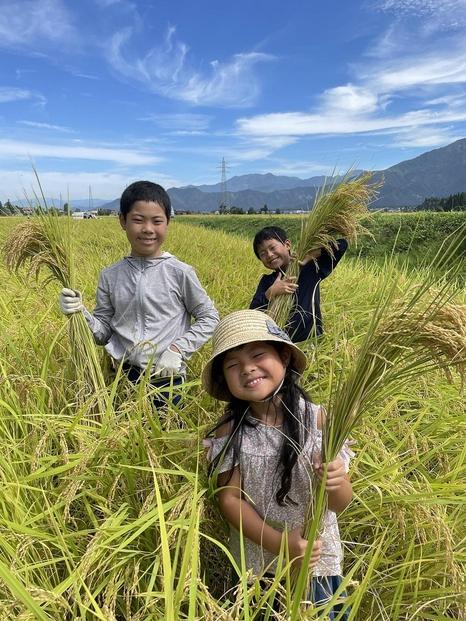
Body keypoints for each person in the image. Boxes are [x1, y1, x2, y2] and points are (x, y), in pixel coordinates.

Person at [202, 309, 353, 618]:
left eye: (258, 355)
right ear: (224, 378)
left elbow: (340, 504)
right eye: (233, 365)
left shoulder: (319, 420)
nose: (247, 369)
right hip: (259, 565)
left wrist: (337, 481)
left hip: (316, 561)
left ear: (284, 357)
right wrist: (280, 544)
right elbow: (230, 499)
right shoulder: (231, 431)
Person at [59, 180, 219, 408]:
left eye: (157, 221)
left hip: (166, 376)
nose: (148, 229)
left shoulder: (180, 273)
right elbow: (102, 333)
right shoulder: (110, 276)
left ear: (168, 223)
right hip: (121, 377)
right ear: (123, 221)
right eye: (138, 220)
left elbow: (210, 317)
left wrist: (177, 350)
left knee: (162, 438)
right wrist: (79, 312)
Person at [250, 226, 348, 342]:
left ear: (287, 245)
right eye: (262, 254)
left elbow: (342, 244)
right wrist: (271, 292)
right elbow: (253, 314)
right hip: (281, 344)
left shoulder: (310, 269)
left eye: (272, 247)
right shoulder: (267, 281)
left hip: (312, 342)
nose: (269, 255)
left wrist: (316, 252)